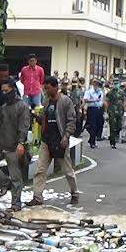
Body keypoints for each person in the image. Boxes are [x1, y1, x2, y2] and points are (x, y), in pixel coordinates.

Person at [0, 78, 31, 210]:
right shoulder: (3, 107)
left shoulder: (22, 106)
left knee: (16, 176)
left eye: (6, 91)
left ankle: (16, 203)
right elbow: (0, 124)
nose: (4, 93)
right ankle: (5, 182)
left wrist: (21, 143)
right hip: (0, 143)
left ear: (13, 90)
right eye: (2, 91)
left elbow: (24, 126)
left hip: (14, 146)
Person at [33, 77, 80, 205]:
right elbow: (44, 117)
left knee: (67, 170)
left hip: (60, 140)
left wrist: (66, 136)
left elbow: (71, 120)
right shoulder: (46, 101)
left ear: (55, 87)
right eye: (45, 88)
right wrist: (37, 117)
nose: (46, 91)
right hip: (46, 140)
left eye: (48, 88)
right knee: (40, 170)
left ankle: (75, 193)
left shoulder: (65, 101)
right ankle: (37, 197)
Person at [82, 78, 104, 148]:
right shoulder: (89, 91)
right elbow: (86, 100)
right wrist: (94, 100)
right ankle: (92, 142)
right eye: (95, 83)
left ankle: (92, 139)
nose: (96, 85)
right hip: (92, 109)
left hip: (99, 109)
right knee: (93, 126)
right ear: (93, 84)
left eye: (97, 84)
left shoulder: (100, 92)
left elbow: (102, 100)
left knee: (99, 125)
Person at [104, 81, 125, 149]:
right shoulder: (110, 92)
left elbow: (123, 101)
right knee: (112, 127)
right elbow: (106, 102)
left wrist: (125, 111)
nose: (116, 85)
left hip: (119, 112)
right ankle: (112, 142)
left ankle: (116, 136)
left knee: (119, 126)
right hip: (112, 112)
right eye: (115, 84)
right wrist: (106, 112)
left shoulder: (121, 92)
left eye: (117, 84)